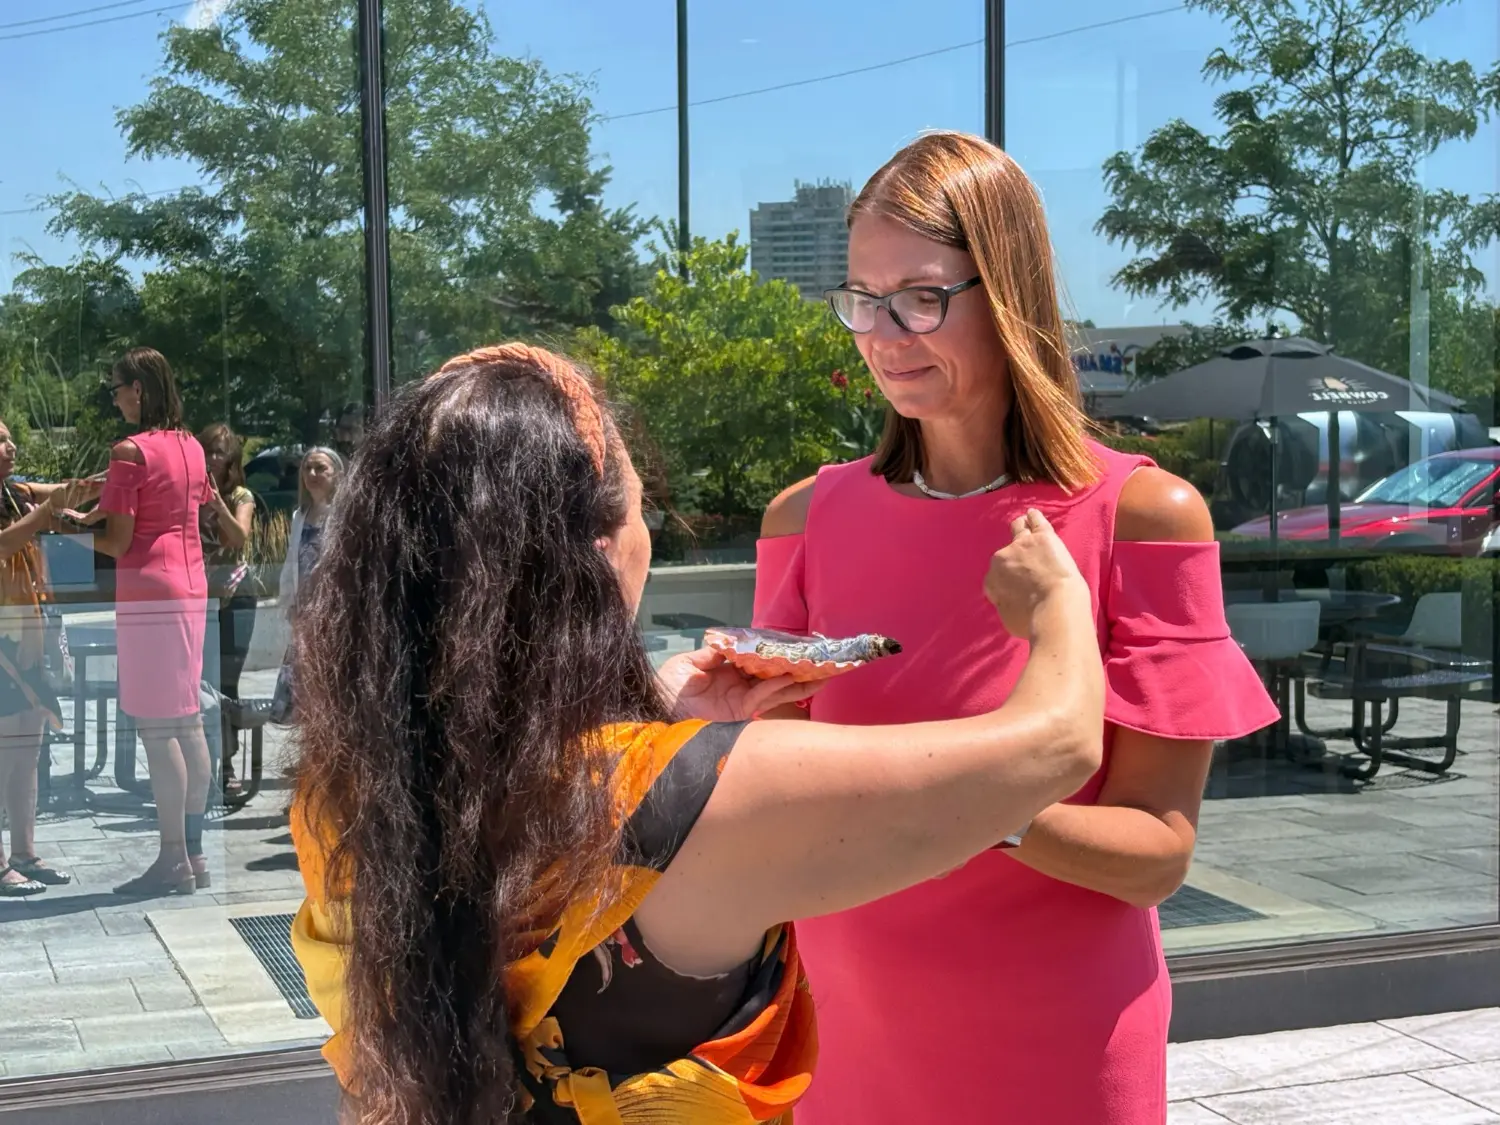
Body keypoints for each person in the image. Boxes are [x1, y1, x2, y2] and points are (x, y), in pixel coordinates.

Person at [289, 343, 1106, 1125]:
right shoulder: (703, 803)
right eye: (645, 514)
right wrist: (1058, 607)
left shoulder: (353, 788)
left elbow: (530, 765)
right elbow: (1055, 746)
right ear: (602, 556)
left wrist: (664, 720)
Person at [753, 132, 1280, 1125]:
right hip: (841, 1040)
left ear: (1006, 294)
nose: (884, 333)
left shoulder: (1143, 518)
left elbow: (1156, 852)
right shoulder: (804, 521)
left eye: (920, 296)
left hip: (1058, 1049)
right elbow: (776, 800)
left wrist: (967, 803)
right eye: (862, 299)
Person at [79, 347, 215, 896]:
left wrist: (66, 526)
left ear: (138, 388)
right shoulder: (193, 446)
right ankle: (197, 851)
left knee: (158, 731)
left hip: (148, 590)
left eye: (117, 388)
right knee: (187, 722)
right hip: (191, 586)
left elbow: (116, 539)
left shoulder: (129, 451)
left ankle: (171, 859)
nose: (115, 399)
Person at [0, 422, 88, 896]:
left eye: (9, 437)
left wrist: (97, 485)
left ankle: (24, 852)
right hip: (2, 640)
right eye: (0, 440)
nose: (10, 446)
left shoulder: (13, 491)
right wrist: (44, 513)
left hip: (28, 633)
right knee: (3, 750)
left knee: (27, 749)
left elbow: (57, 494)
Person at [197, 423, 258, 796]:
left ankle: (227, 765)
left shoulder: (240, 494)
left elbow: (240, 537)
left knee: (226, 683)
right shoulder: (189, 494)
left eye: (221, 452)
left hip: (235, 596)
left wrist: (217, 504)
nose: (214, 458)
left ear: (232, 458)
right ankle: (202, 765)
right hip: (196, 597)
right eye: (208, 451)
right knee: (200, 684)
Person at [269, 446, 342, 724]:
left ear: (337, 475)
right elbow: (291, 563)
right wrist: (288, 602)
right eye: (307, 468)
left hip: (332, 616)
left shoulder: (343, 515)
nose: (312, 474)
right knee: (302, 697)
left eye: (320, 468)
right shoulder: (300, 516)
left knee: (330, 692)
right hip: (303, 616)